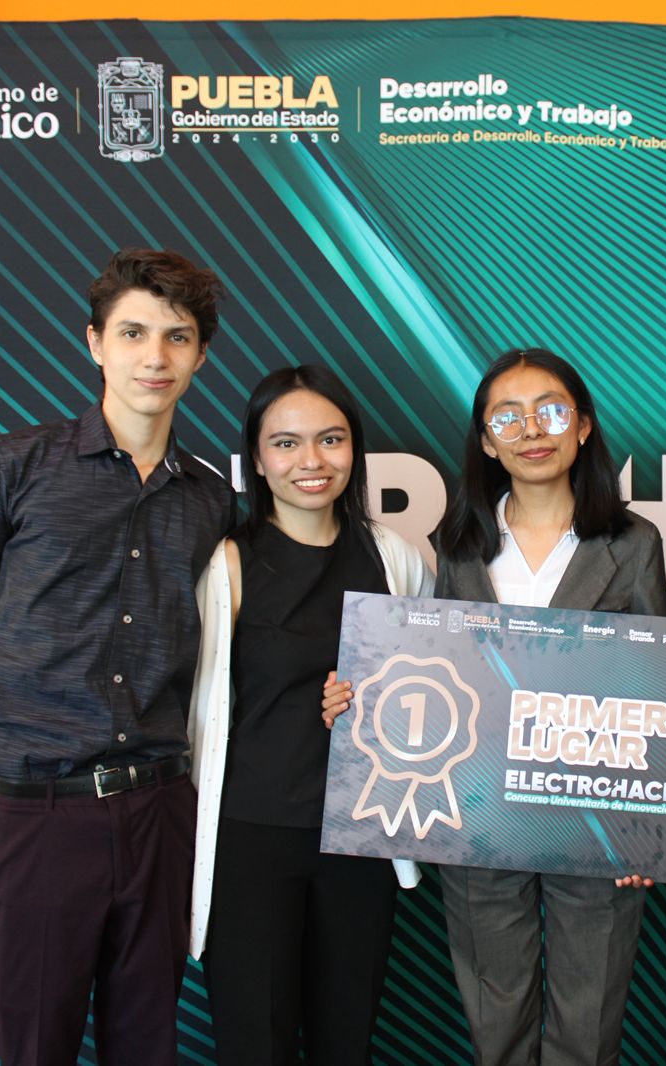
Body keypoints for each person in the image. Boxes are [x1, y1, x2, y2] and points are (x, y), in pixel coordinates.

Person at [0, 247, 234, 1064]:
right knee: (37, 1045)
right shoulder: (5, 466)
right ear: (94, 342)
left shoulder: (211, 497)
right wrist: (10, 750)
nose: (154, 356)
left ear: (201, 356)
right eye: (133, 333)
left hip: (159, 810)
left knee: (146, 1045)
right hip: (36, 809)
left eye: (177, 337)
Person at [430, 347, 666, 1065]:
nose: (532, 430)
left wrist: (644, 827)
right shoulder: (458, 546)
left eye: (552, 411)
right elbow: (437, 674)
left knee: (587, 1020)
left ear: (584, 426)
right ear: (485, 440)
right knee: (494, 1017)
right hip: (480, 818)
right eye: (507, 417)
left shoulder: (633, 544)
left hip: (595, 820)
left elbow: (658, 687)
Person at [186, 364, 431, 1065]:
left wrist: (378, 705)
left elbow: (433, 686)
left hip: (360, 840)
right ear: (257, 458)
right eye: (286, 443)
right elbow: (194, 710)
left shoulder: (394, 557)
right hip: (250, 837)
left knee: (344, 1042)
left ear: (354, 448)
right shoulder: (227, 564)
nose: (311, 461)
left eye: (331, 439)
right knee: (254, 1043)